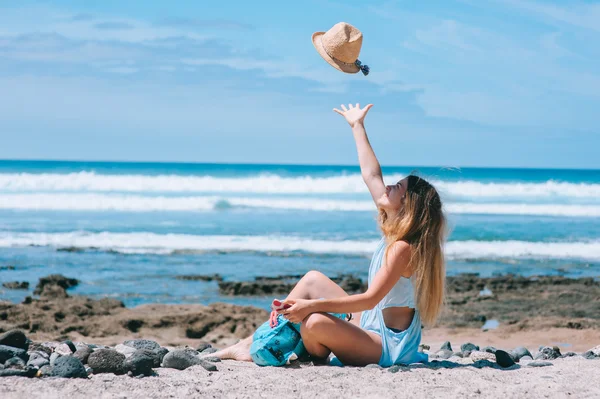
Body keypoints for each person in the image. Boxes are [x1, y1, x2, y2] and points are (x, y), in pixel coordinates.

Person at [209, 103, 447, 367]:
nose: (388, 185)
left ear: (407, 208)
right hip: (370, 323)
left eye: (397, 187)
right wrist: (357, 126)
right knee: (312, 280)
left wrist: (311, 306)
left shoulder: (403, 248)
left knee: (314, 321)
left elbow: (369, 299)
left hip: (387, 347)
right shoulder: (393, 225)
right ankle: (251, 343)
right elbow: (371, 173)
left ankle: (300, 344)